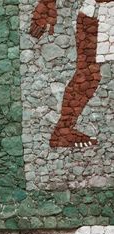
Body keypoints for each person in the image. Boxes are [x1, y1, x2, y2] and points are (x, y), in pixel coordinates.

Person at [30, 0, 111, 147]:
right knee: (88, 75)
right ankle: (63, 131)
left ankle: (63, 130)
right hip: (99, 13)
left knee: (88, 74)